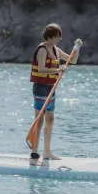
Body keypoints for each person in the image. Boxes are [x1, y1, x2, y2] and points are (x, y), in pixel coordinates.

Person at [29, 23, 82, 166]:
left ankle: (47, 152)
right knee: (39, 121)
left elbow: (73, 60)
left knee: (50, 120)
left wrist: (76, 48)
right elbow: (40, 70)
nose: (59, 39)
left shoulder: (55, 50)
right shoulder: (42, 50)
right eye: (56, 37)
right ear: (49, 37)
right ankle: (34, 153)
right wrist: (58, 70)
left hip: (51, 88)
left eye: (59, 37)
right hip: (40, 88)